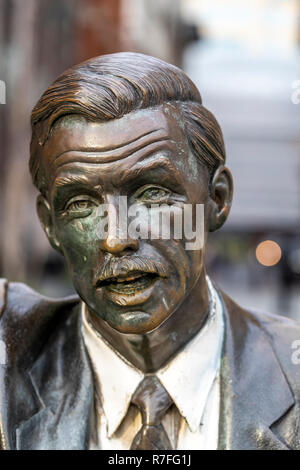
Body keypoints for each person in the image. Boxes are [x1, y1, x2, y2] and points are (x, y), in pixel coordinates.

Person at [1, 53, 300, 450]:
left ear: (217, 199)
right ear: (50, 225)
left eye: (152, 194)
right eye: (81, 204)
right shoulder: (11, 361)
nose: (116, 238)